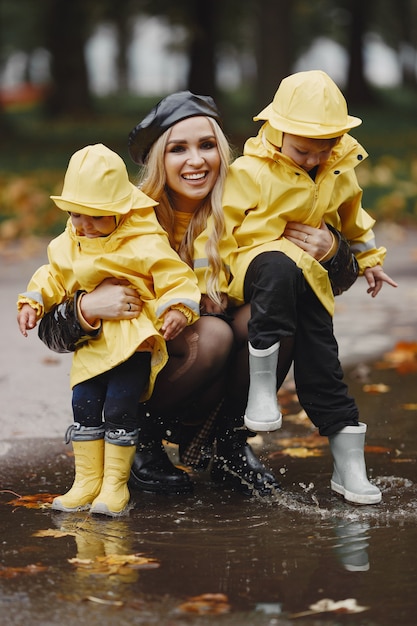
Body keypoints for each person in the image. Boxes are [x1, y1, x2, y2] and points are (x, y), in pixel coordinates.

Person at [38, 92, 281, 497]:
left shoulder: (249, 204)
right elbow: (49, 325)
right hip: (142, 369)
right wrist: (86, 307)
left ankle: (229, 445)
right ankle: (137, 440)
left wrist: (334, 249)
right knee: (214, 335)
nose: (196, 160)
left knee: (270, 314)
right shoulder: (113, 215)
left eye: (206, 145)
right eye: (178, 149)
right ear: (157, 159)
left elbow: (314, 278)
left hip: (212, 381)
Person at [218, 69, 398, 505]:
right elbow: (222, 231)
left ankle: (348, 464)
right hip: (254, 267)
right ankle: (263, 391)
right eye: (304, 150)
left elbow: (354, 217)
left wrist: (368, 259)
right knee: (279, 264)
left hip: (307, 275)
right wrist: (215, 279)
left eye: (325, 149)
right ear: (276, 131)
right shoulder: (250, 170)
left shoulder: (338, 167)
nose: (315, 159)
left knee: (323, 358)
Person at [17, 143, 201, 516]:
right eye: (76, 215)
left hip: (132, 343)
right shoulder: (69, 243)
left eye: (97, 217)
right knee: (82, 403)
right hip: (92, 346)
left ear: (122, 210)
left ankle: (114, 485)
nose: (85, 225)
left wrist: (178, 308)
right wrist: (33, 299)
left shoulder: (144, 241)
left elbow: (175, 276)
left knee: (120, 408)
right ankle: (86, 481)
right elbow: (52, 275)